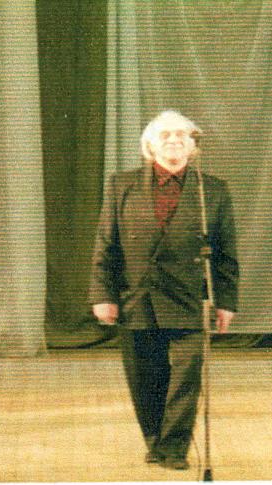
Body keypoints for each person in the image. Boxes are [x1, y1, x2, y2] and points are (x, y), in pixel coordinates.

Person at [89, 110, 238, 470]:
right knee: (145, 378)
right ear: (150, 145)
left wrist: (226, 301)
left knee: (186, 377)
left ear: (193, 145)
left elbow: (225, 253)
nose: (174, 140)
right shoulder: (121, 185)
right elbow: (106, 245)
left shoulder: (212, 190)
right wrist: (103, 295)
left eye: (182, 135)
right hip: (138, 296)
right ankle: (155, 440)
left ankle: (174, 448)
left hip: (189, 298)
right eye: (166, 135)